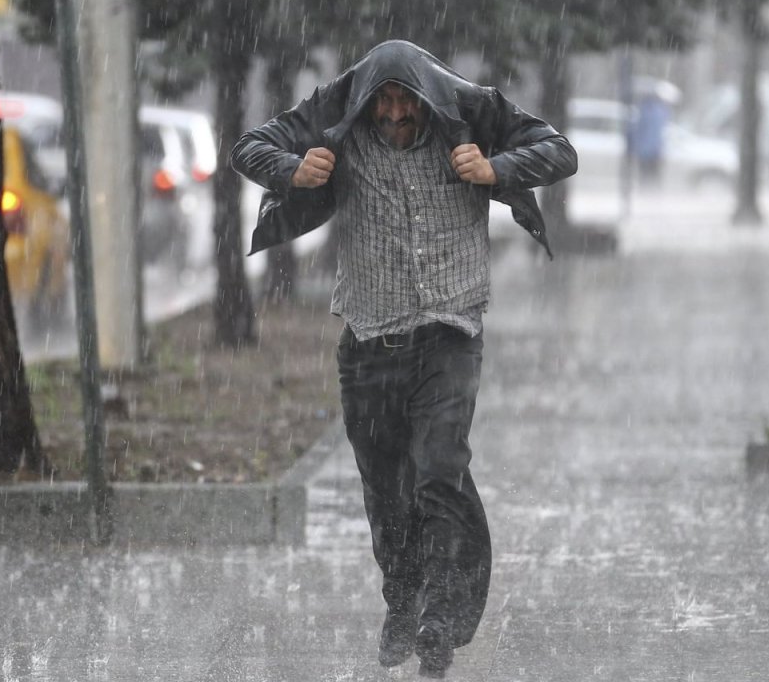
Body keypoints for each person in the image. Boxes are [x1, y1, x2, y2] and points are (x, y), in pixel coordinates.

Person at [231, 40, 576, 678]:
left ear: (426, 98)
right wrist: (293, 170)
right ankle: (403, 601)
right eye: (382, 102)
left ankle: (439, 619)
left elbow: (560, 151)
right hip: (368, 342)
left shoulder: (470, 111)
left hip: (450, 332)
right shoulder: (338, 110)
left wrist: (495, 168)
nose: (393, 113)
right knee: (387, 491)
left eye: (404, 102)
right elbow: (248, 146)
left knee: (440, 471)